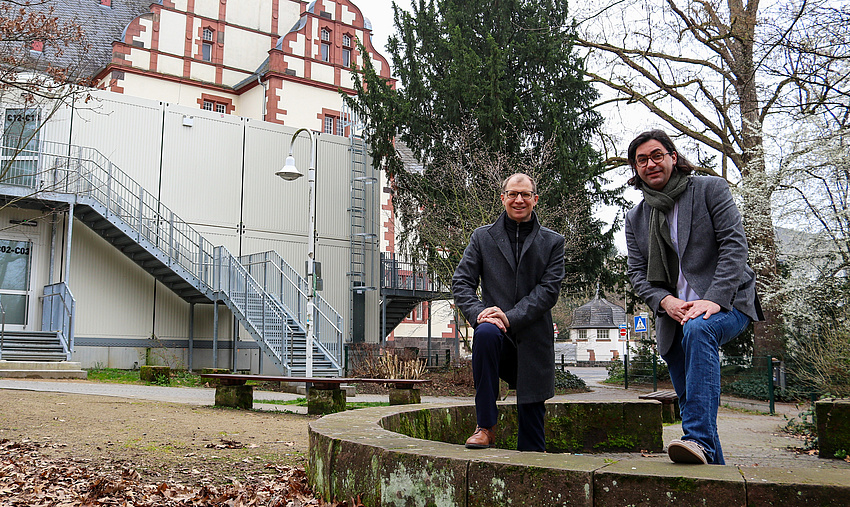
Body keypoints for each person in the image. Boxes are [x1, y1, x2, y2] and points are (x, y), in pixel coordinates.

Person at [624, 130, 763, 465]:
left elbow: (734, 247)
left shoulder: (709, 190)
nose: (650, 164)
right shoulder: (636, 217)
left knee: (700, 329)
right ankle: (711, 467)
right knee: (693, 402)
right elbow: (637, 275)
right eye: (641, 160)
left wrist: (714, 299)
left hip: (727, 304)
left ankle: (696, 438)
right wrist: (665, 302)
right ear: (635, 168)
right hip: (674, 318)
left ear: (673, 156)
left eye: (657, 155)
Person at [452, 173, 565, 452]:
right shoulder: (482, 237)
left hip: (533, 340)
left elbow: (548, 291)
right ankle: (485, 427)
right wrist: (480, 313)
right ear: (503, 198)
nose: (519, 200)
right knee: (486, 332)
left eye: (525, 194)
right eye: (513, 194)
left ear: (535, 200)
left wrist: (510, 316)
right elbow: (462, 282)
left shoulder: (553, 242)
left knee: (532, 435)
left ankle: (532, 474)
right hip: (497, 338)